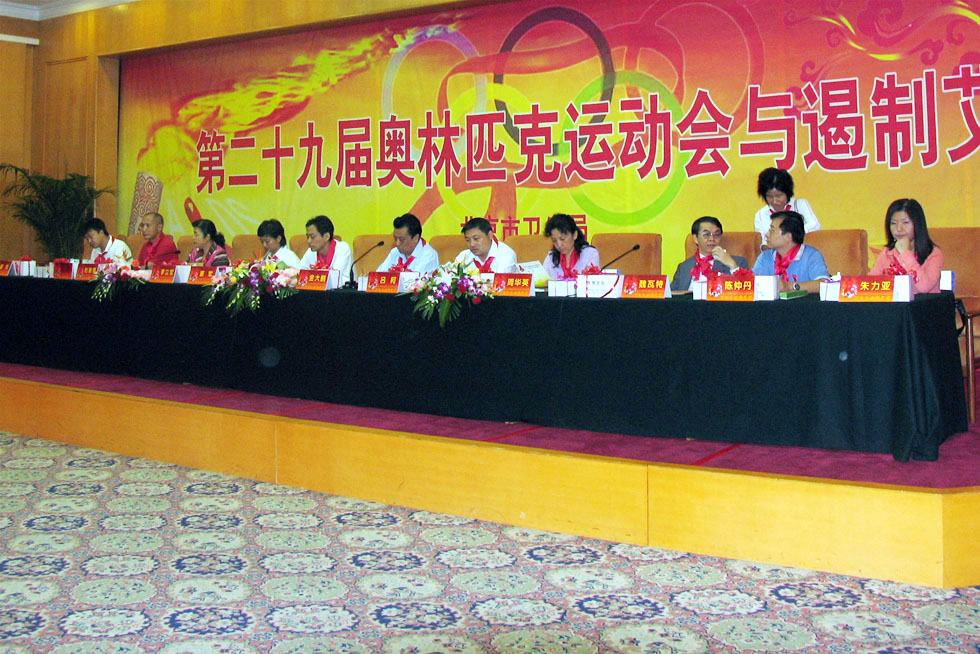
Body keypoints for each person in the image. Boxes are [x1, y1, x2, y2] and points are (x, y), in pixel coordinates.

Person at [870, 198, 943, 294]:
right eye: (893, 223)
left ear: (917, 224)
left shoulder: (934, 254)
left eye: (905, 223)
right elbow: (871, 284)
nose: (899, 229)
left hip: (924, 303)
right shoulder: (887, 253)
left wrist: (905, 254)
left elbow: (924, 287)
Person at [752, 210, 830, 292]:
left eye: (772, 230)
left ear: (788, 236)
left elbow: (823, 284)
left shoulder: (811, 255)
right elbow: (753, 283)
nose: (767, 234)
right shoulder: (765, 257)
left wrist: (790, 286)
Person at [671, 216, 749, 292]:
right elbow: (672, 295)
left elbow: (747, 291)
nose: (712, 239)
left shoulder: (738, 262)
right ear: (695, 238)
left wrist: (732, 265)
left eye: (716, 235)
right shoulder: (684, 267)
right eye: (706, 235)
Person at [754, 167, 820, 248]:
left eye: (779, 196)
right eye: (769, 196)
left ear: (788, 193)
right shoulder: (761, 215)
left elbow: (815, 225)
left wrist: (787, 235)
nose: (774, 201)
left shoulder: (800, 205)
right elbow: (762, 243)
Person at [542, 213, 599, 280]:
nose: (559, 245)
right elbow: (541, 283)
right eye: (554, 241)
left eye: (563, 239)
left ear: (575, 235)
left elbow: (593, 282)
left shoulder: (590, 254)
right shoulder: (551, 258)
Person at [299, 215, 353, 279]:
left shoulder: (343, 249)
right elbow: (299, 273)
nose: (309, 241)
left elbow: (335, 278)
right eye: (308, 237)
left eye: (312, 237)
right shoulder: (311, 251)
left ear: (326, 236)